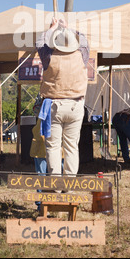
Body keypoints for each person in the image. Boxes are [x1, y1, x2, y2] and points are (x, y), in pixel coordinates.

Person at [36, 17, 89, 176]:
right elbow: (84, 39)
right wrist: (67, 28)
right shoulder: (82, 54)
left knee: (53, 147)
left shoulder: (48, 55)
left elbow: (39, 42)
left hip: (54, 106)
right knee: (72, 146)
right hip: (75, 105)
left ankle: (56, 184)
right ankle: (69, 184)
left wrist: (52, 28)